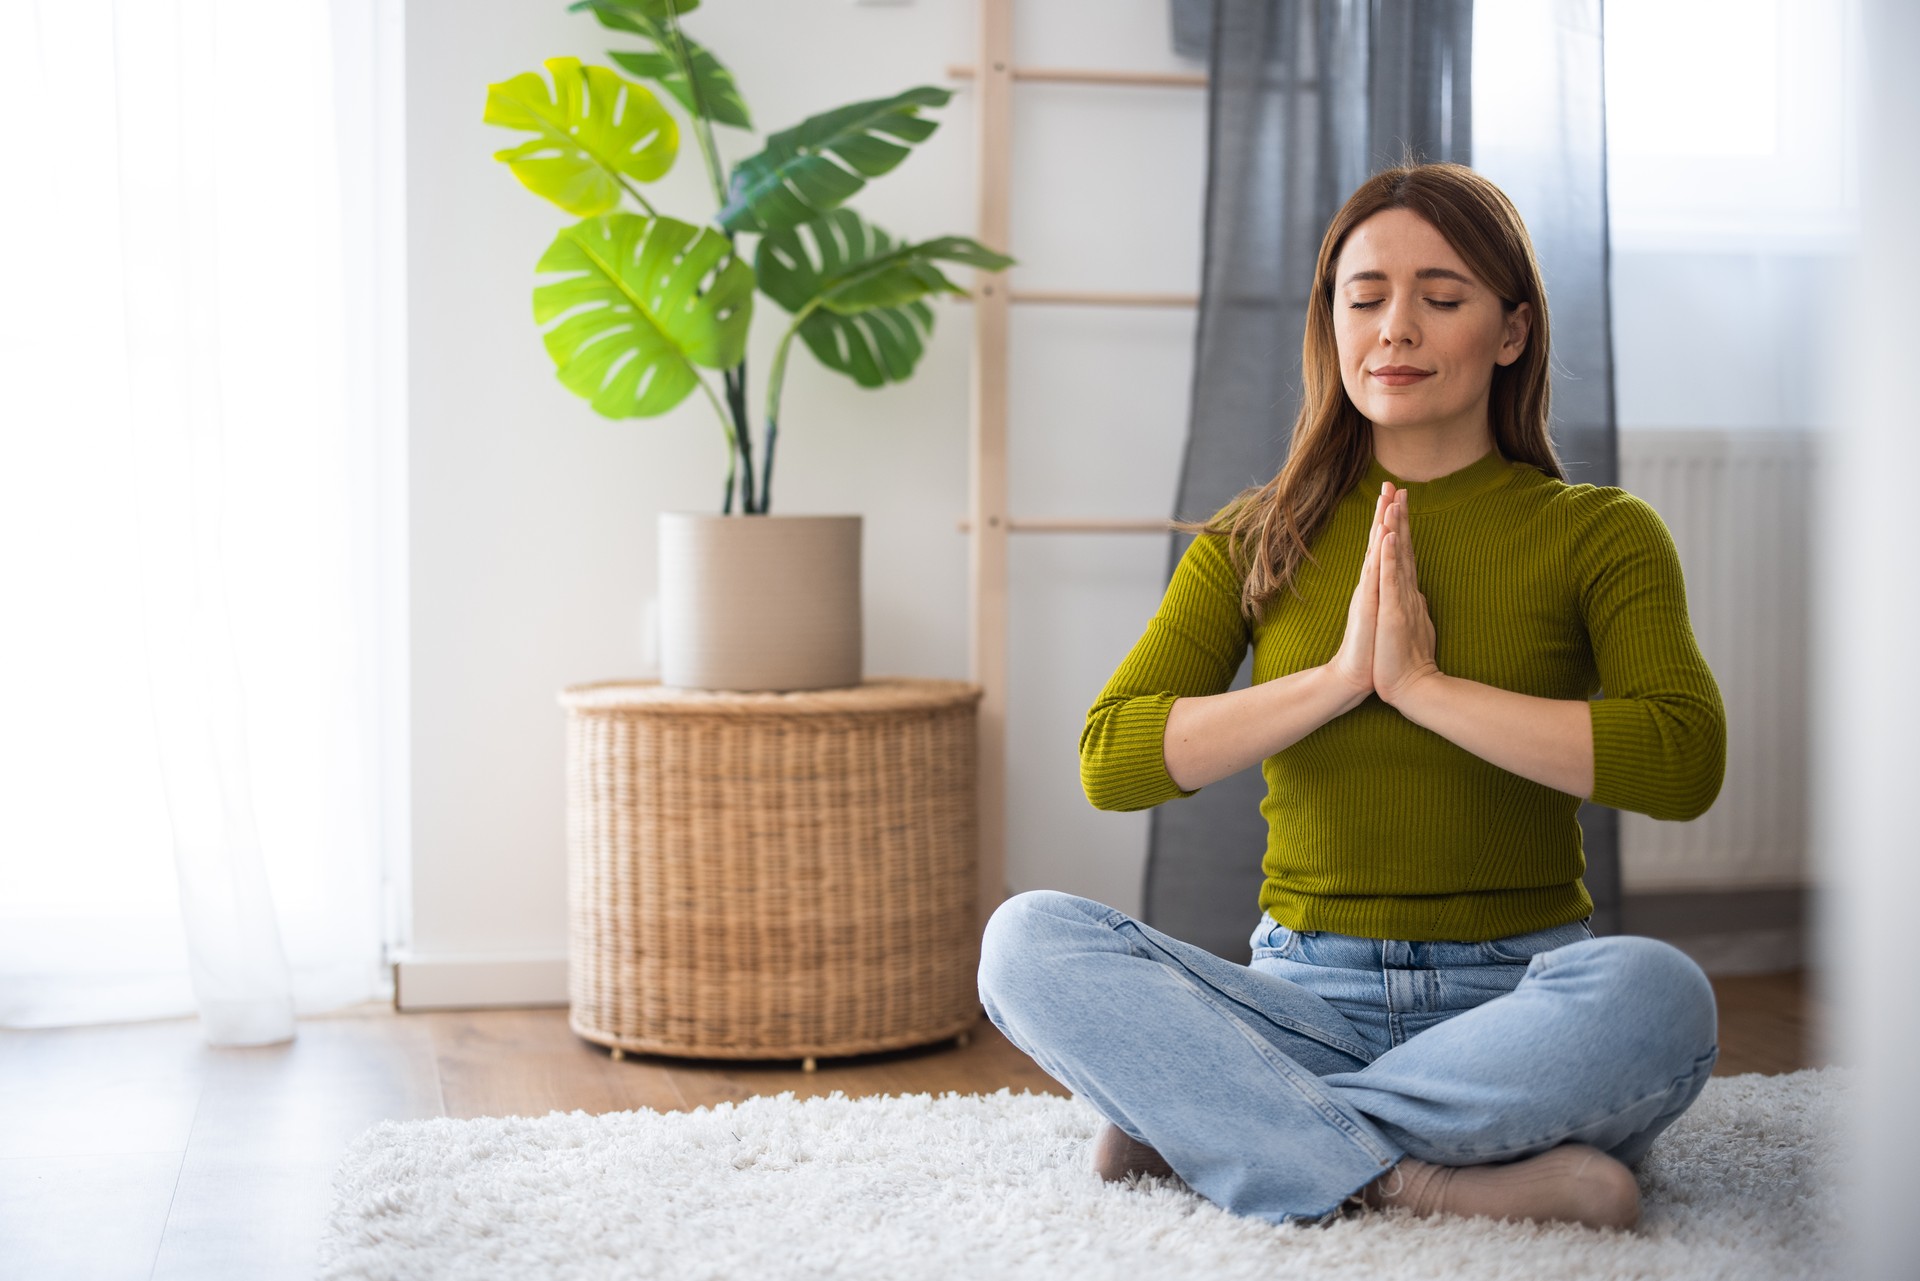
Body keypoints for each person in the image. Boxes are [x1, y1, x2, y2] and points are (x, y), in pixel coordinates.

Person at [975, 162, 1726, 1232]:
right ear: (1331, 326)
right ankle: (1412, 1178)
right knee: (1026, 940)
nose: (1397, 329)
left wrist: (1421, 687)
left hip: (1515, 1004)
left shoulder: (1598, 533)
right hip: (1300, 1002)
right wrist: (1335, 683)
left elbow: (1683, 759)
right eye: (1365, 298)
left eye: (1443, 297)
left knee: (1661, 997)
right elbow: (1114, 756)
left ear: (1511, 331)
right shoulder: (1255, 535)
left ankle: (1222, 1127)